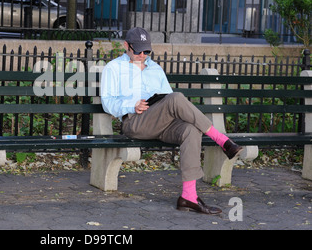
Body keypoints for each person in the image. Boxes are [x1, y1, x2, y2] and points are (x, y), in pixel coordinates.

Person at [100, 27, 242, 215]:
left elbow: (167, 100)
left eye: (146, 51)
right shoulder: (114, 68)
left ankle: (188, 197)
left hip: (161, 122)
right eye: (138, 51)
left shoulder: (155, 69)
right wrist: (131, 106)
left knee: (190, 130)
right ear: (127, 46)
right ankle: (222, 140)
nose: (142, 55)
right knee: (176, 97)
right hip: (134, 122)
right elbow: (107, 102)